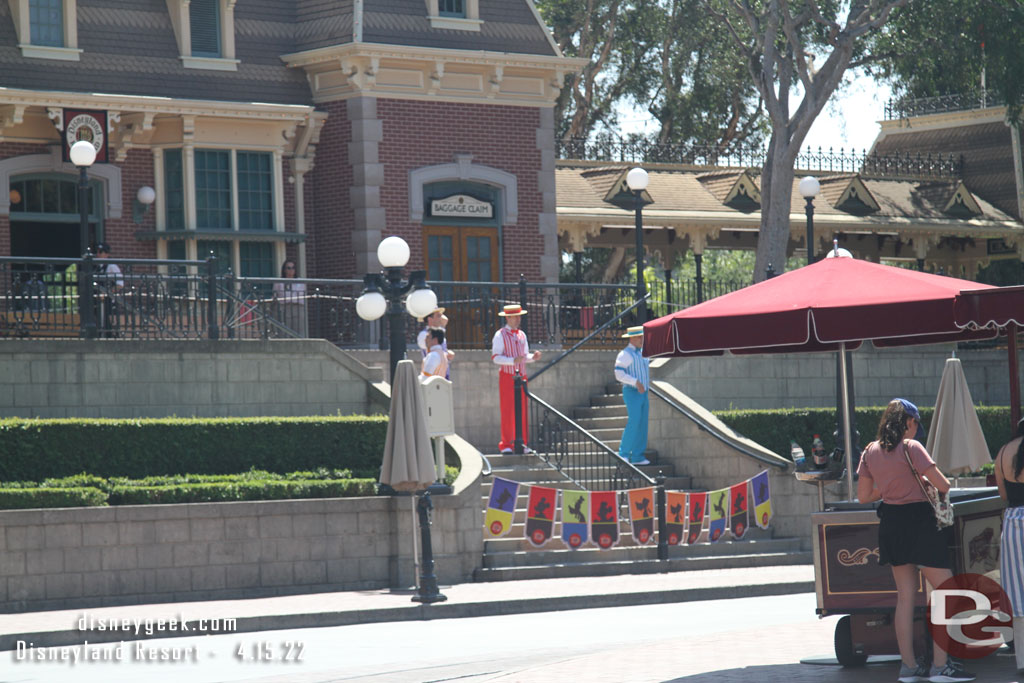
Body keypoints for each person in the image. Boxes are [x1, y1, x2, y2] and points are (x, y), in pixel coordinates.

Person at [856, 399, 975, 683]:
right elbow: (944, 485)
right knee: (946, 591)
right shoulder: (911, 447)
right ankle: (940, 665)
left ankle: (908, 667)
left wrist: (889, 487)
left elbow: (864, 496)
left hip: (891, 524)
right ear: (907, 422)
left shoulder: (870, 451)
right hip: (920, 523)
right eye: (916, 423)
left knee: (905, 596)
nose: (916, 429)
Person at [994, 417, 1024, 674]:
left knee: (1017, 593)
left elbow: (1003, 495)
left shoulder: (1003, 452)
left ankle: (1022, 660)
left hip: (1013, 523)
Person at [491, 304, 541, 454]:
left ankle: (523, 443)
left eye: (519, 316)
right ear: (508, 317)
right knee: (507, 410)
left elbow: (524, 357)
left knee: (522, 410)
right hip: (507, 376)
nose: (518, 319)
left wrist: (533, 357)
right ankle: (506, 444)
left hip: (521, 376)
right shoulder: (500, 335)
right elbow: (496, 358)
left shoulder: (522, 335)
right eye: (516, 316)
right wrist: (513, 360)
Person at [614, 325, 650, 466]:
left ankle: (637, 456)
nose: (642, 339)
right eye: (640, 337)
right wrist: (636, 382)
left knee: (642, 423)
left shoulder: (642, 353)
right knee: (634, 421)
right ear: (633, 338)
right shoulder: (625, 354)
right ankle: (623, 453)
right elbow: (618, 374)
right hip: (632, 392)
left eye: (642, 336)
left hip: (643, 393)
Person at [94, 242, 123, 336]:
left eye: (101, 252)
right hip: (98, 300)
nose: (98, 254)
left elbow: (119, 284)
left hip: (109, 301)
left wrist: (107, 293)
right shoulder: (97, 267)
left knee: (108, 323)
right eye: (97, 251)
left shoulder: (112, 266)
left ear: (107, 254)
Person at [272, 259, 307, 336]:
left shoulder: (300, 281)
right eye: (289, 268)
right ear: (284, 270)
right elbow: (275, 295)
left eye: (293, 268)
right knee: (285, 331)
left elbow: (301, 295)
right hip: (284, 307)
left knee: (299, 331)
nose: (291, 270)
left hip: (298, 307)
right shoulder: (279, 282)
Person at [417, 307, 454, 378]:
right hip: (432, 376)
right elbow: (432, 352)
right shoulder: (424, 335)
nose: (441, 318)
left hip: (442, 376)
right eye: (438, 316)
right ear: (430, 319)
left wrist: (446, 355)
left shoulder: (437, 334)